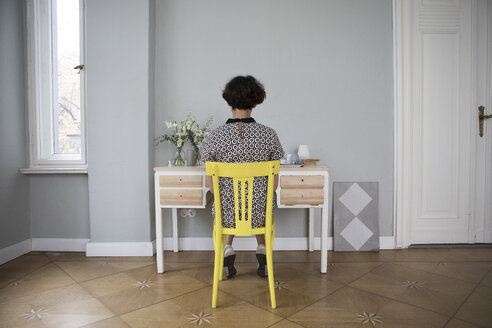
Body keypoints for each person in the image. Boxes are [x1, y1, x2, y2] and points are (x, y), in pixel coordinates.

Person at [202, 75, 284, 278]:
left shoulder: (215, 136)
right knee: (258, 199)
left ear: (228, 102)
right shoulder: (269, 135)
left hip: (226, 214)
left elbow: (212, 187)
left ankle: (227, 248)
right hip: (259, 213)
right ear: (255, 103)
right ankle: (262, 247)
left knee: (228, 202)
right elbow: (273, 186)